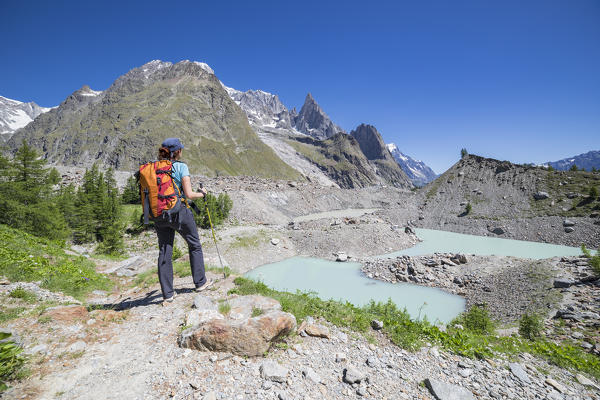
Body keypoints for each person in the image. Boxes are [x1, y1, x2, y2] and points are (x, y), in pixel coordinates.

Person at [154, 137, 212, 304]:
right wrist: (202, 193)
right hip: (179, 212)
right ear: (177, 152)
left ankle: (168, 294)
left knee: (165, 251)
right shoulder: (181, 167)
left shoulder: (153, 168)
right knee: (194, 244)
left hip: (159, 214)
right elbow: (189, 195)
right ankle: (200, 283)